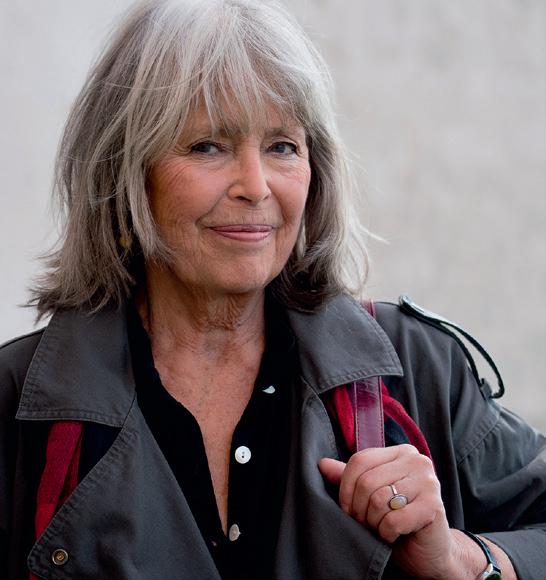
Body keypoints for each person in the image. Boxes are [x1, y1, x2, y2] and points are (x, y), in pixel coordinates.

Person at [1, 0, 545, 578]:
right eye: (207, 146)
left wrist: (464, 560)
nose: (256, 186)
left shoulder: (415, 368)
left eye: (282, 146)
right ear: (124, 173)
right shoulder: (20, 401)